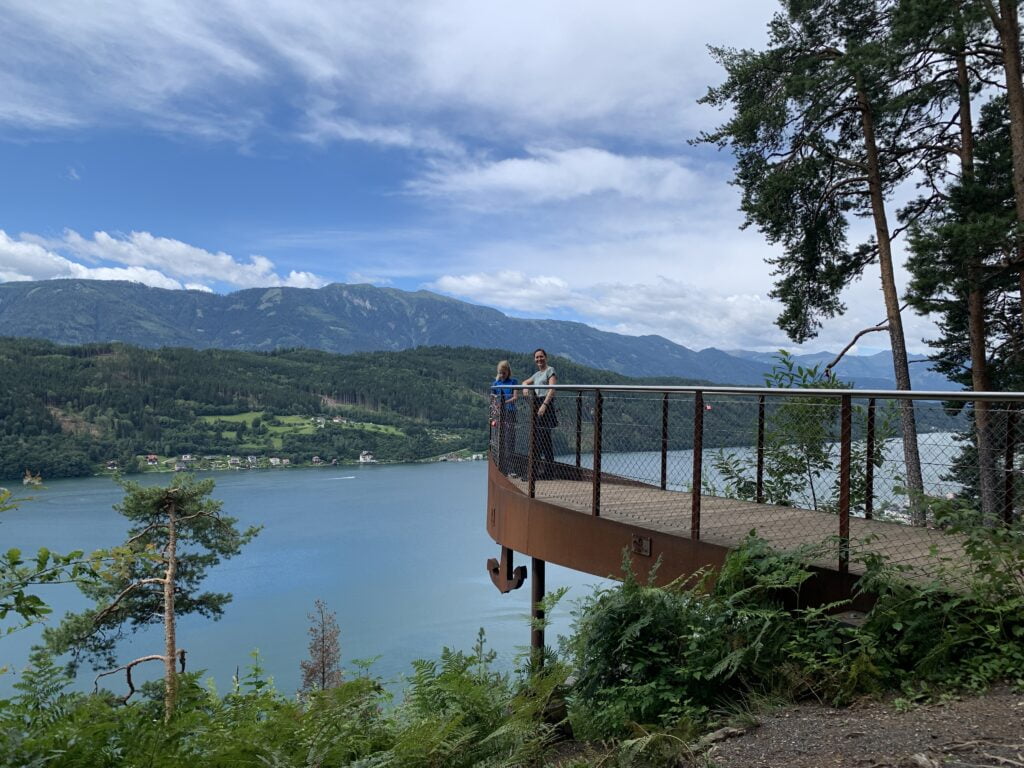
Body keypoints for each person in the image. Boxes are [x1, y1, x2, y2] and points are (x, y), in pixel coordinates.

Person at [522, 348, 558, 479]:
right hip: (537, 405)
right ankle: (548, 473)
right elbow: (525, 381)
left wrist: (544, 405)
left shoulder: (550, 370)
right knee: (545, 441)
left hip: (545, 406)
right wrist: (525, 387)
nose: (539, 359)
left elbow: (552, 389)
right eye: (537, 357)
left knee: (539, 440)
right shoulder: (537, 374)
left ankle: (533, 473)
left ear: (546, 357)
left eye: (541, 356)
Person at [491, 360, 519, 475]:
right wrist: (495, 406)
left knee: (510, 439)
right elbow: (492, 398)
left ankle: (510, 467)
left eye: (504, 372)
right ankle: (501, 465)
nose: (502, 374)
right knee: (499, 439)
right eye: (501, 372)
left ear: (508, 371)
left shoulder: (513, 382)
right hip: (499, 414)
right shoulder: (495, 384)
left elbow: (515, 397)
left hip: (510, 412)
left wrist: (503, 402)